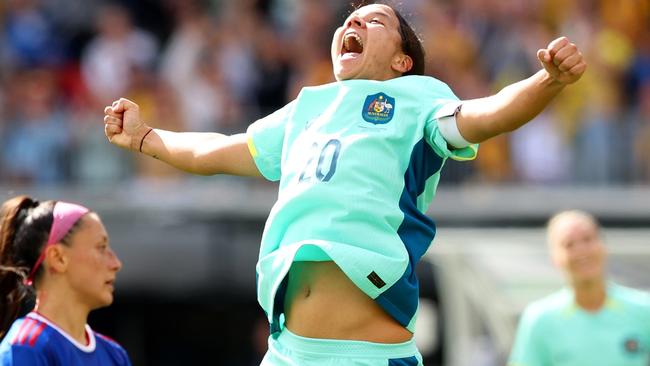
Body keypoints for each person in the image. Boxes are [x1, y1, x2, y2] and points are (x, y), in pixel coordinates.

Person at [103, 2, 586, 364]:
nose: (353, 23)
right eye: (350, 20)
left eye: (375, 22)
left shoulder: (418, 97)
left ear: (402, 62)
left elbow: (488, 115)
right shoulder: (307, 107)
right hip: (287, 352)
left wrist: (548, 82)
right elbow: (217, 152)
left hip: (367, 356)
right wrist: (147, 137)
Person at [508, 210, 650, 366]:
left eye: (588, 239)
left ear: (603, 246)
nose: (581, 250)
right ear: (554, 257)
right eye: (569, 244)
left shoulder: (644, 309)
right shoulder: (539, 319)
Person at [0, 196, 130, 365]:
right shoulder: (24, 348)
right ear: (58, 258)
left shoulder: (115, 354)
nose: (116, 263)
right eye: (101, 247)